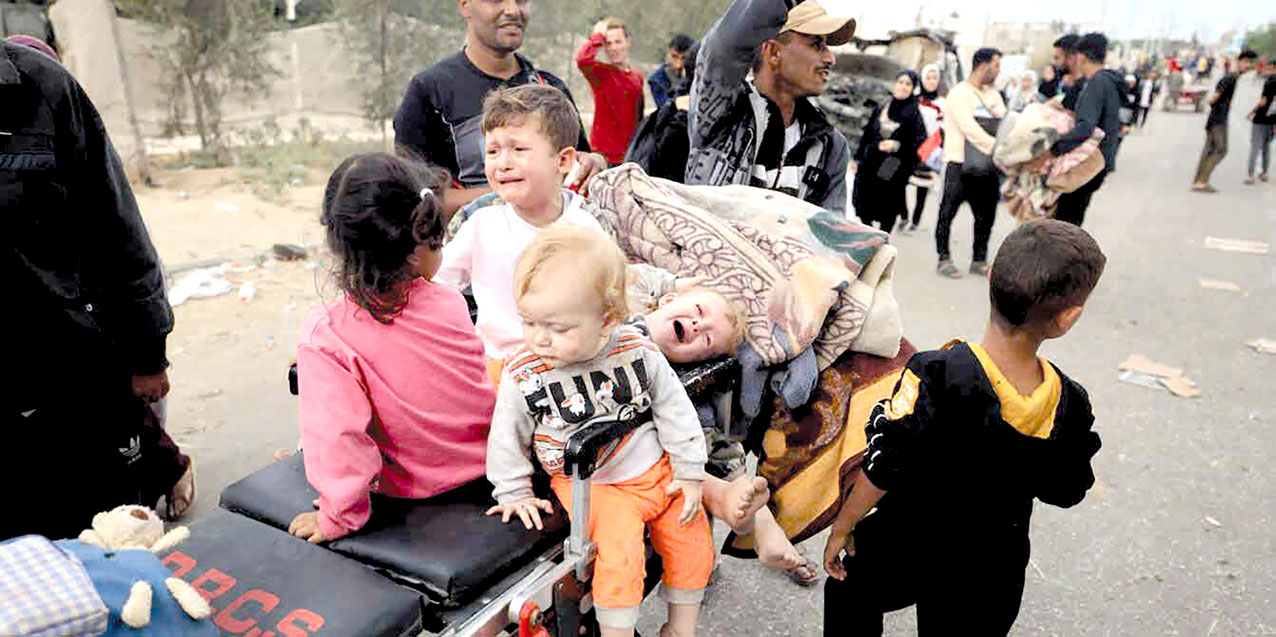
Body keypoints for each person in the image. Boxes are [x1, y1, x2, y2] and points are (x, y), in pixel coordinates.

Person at [822, 219, 1106, 636]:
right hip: (991, 565)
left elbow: (885, 464)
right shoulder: (1070, 403)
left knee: (850, 592)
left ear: (990, 276)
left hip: (908, 539)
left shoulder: (936, 373)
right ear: (1067, 319)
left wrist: (842, 526)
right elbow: (1066, 491)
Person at [2, 39, 192, 541]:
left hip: (75, 373)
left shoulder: (43, 89)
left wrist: (149, 352)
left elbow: (117, 229)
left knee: (112, 539)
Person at [487, 225, 715, 637]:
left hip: (656, 468)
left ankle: (681, 628)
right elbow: (507, 436)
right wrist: (514, 491)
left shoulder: (637, 351)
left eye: (558, 328)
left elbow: (674, 409)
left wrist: (689, 470)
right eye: (529, 322)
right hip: (593, 485)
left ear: (607, 319)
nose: (541, 339)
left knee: (691, 538)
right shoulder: (525, 373)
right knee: (620, 556)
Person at [287, 154, 494, 543]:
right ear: (418, 249)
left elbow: (340, 441)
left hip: (414, 489)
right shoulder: (448, 302)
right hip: (485, 467)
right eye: (438, 240)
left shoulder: (326, 334)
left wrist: (338, 515)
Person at [434, 84, 609, 381]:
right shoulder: (481, 225)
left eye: (518, 149)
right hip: (500, 369)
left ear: (563, 160)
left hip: (573, 368)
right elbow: (439, 287)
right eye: (492, 151)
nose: (503, 163)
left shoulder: (585, 226)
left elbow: (609, 301)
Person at [392, 0, 609, 217]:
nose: (513, 10)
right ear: (465, 5)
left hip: (554, 245)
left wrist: (595, 164)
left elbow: (578, 167)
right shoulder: (431, 90)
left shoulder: (550, 89)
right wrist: (515, 190)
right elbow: (416, 199)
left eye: (521, 0)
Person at [686, 0, 855, 214]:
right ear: (774, 53)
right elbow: (722, 48)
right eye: (816, 44)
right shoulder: (726, 112)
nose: (830, 58)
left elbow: (830, 234)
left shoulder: (831, 147)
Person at [933, 47, 1007, 279]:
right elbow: (968, 127)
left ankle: (979, 260)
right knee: (947, 213)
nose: (998, 72)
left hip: (988, 166)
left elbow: (1002, 120)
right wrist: (996, 147)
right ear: (984, 66)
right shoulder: (959, 94)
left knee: (986, 216)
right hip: (959, 163)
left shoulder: (994, 95)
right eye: (996, 66)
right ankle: (944, 258)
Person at [1050, 33, 1123, 227]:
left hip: (1089, 162)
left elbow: (1086, 126)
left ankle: (1067, 257)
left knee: (1065, 223)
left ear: (1081, 57)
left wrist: (1054, 148)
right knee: (1073, 218)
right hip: (1101, 162)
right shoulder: (1109, 81)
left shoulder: (1096, 83)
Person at [851, 70, 926, 234]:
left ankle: (882, 237)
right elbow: (868, 132)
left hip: (894, 164)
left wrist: (898, 145)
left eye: (908, 84)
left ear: (913, 88)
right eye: (900, 82)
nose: (903, 87)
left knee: (887, 206)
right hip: (871, 159)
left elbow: (920, 140)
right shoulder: (883, 106)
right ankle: (869, 234)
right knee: (863, 201)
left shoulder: (913, 113)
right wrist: (856, 158)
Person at [576, 18, 645, 166]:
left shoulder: (637, 77)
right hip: (604, 157)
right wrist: (597, 37)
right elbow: (582, 60)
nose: (613, 48)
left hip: (631, 155)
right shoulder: (600, 74)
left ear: (628, 41)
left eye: (618, 42)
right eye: (608, 43)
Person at [1191, 50, 1258, 193]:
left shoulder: (1233, 77)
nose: (1248, 65)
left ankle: (1198, 181)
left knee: (1208, 150)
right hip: (1218, 120)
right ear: (1238, 62)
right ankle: (1202, 181)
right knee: (1221, 149)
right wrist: (1213, 105)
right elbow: (1214, 97)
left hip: (1215, 118)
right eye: (1246, 62)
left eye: (1250, 63)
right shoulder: (1230, 78)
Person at [906, 63, 945, 232]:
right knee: (901, 180)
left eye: (934, 77)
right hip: (912, 144)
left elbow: (944, 126)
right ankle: (903, 214)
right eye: (928, 78)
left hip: (930, 148)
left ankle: (915, 219)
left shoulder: (943, 103)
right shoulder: (914, 101)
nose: (931, 81)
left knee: (923, 185)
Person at [1245, 58, 1276, 184]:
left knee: (1255, 147)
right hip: (1273, 120)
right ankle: (1264, 173)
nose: (1266, 70)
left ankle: (1250, 175)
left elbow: (1263, 102)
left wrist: (1252, 111)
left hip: (1261, 119)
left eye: (1269, 68)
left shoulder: (1269, 82)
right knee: (1266, 147)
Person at [649, 33, 695, 109]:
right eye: (674, 56)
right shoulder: (657, 80)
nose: (679, 64)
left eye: (684, 58)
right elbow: (666, 109)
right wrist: (684, 81)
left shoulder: (699, 75)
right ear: (668, 53)